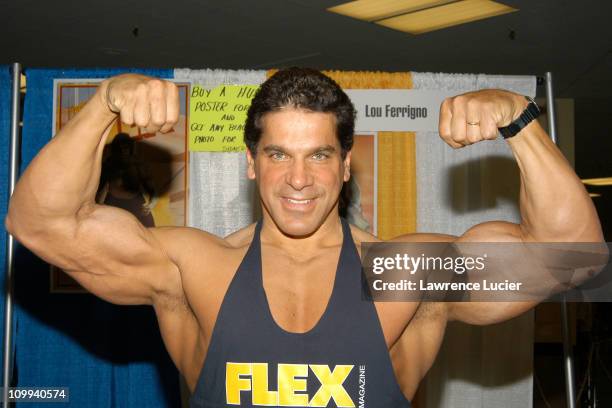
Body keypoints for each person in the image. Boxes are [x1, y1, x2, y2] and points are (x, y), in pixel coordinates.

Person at [5, 68, 603, 407]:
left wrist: (520, 119)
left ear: (346, 165)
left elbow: (572, 262)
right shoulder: (196, 267)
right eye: (278, 154)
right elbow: (39, 223)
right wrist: (105, 105)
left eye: (319, 155)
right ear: (251, 163)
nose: (298, 179)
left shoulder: (404, 273)